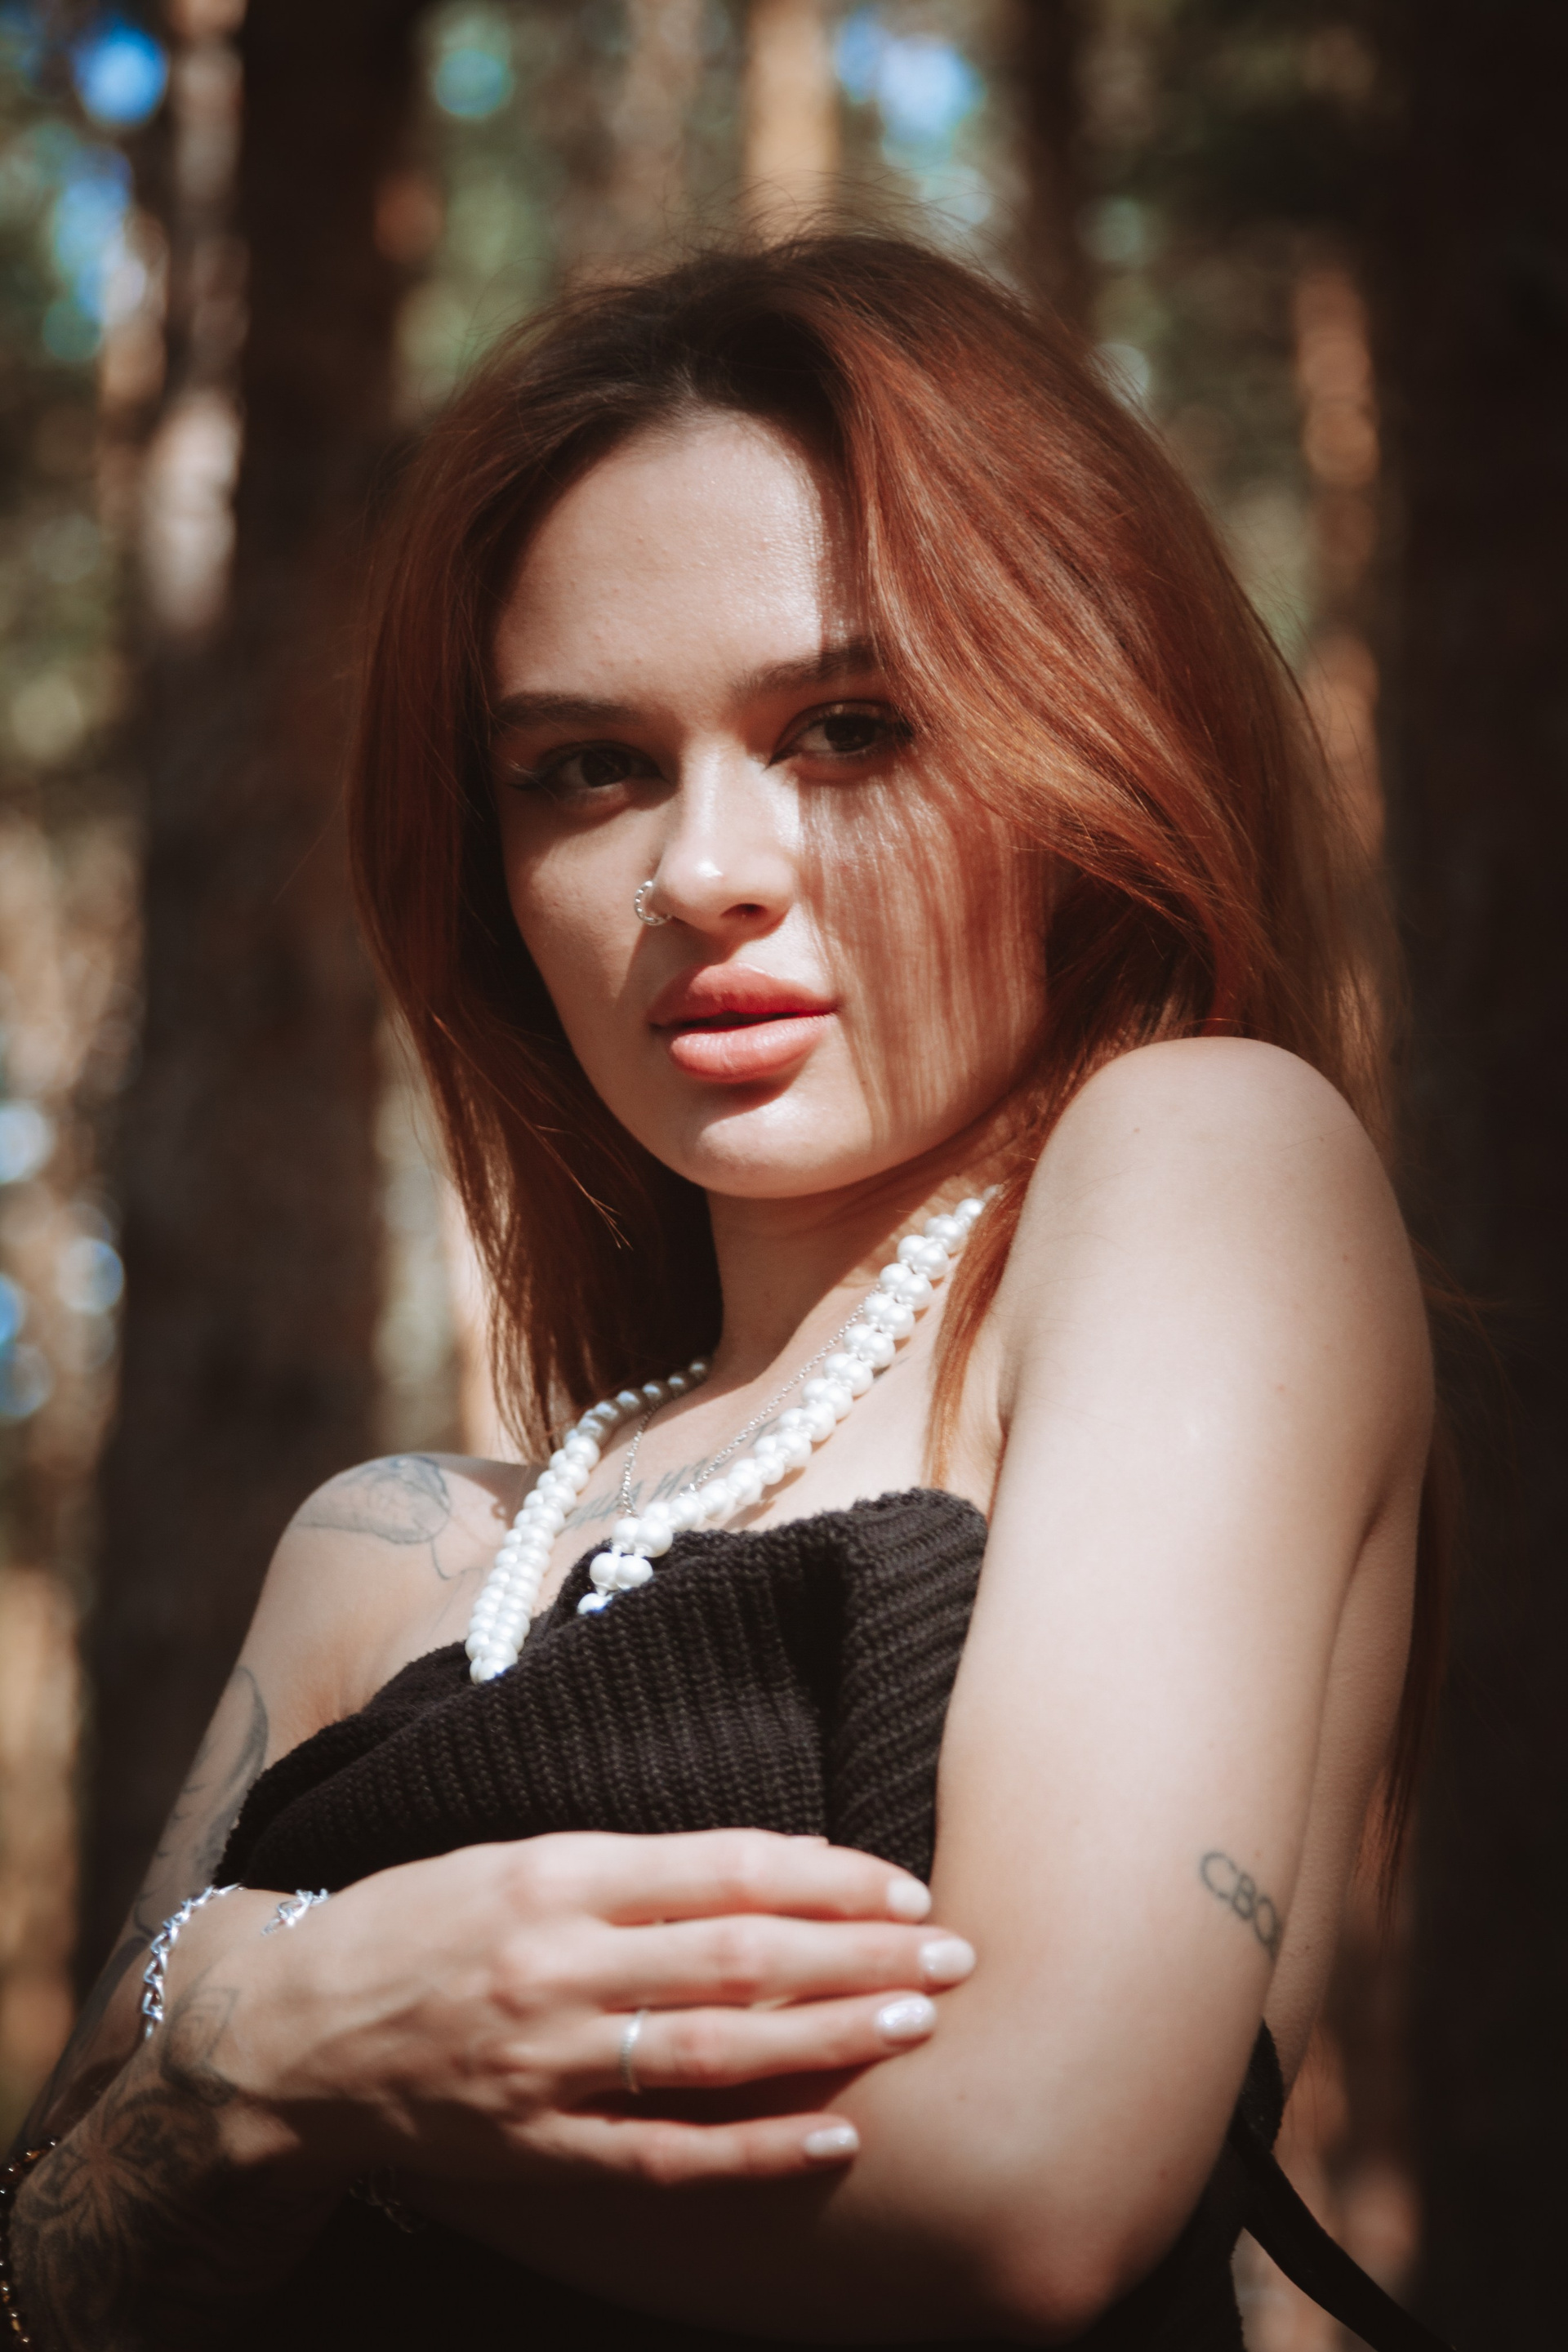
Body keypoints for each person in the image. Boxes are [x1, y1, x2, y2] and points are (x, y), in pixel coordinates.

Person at [4, 235, 1448, 2350]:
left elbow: (1028, 2183)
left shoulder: (1205, 1161)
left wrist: (288, 2058)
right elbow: (39, 2264)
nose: (704, 872)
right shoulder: (378, 1556)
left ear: (1082, 751)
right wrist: (267, 2059)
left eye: (849, 728)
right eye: (587, 767)